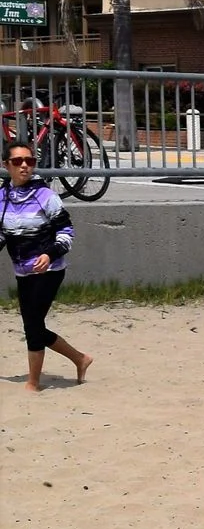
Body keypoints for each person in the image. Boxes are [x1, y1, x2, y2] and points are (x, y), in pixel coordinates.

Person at [5, 141, 93, 392]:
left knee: (32, 326)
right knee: (34, 326)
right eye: (18, 161)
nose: (24, 166)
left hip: (49, 270)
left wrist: (49, 254)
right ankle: (80, 359)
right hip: (22, 271)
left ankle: (33, 384)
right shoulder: (2, 197)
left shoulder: (46, 196)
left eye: (30, 161)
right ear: (6, 165)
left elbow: (66, 231)